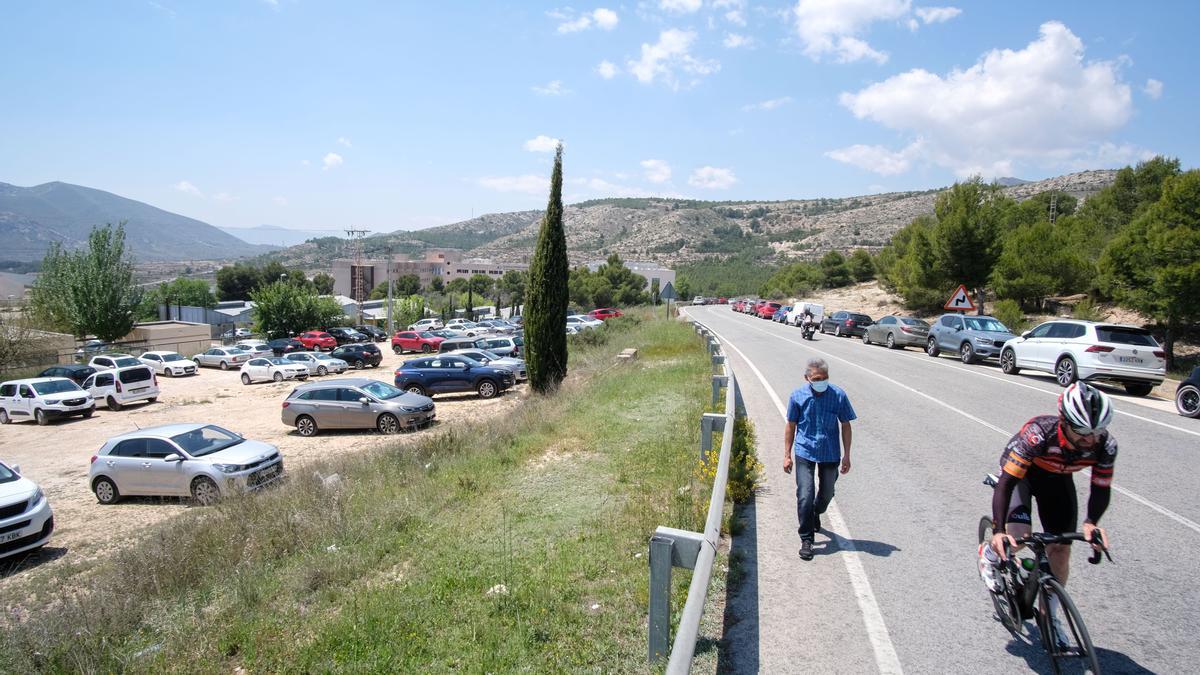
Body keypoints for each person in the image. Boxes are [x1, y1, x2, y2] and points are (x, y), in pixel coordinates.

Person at [978, 382, 1115, 640]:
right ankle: (989, 554)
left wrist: (1092, 522)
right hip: (1022, 475)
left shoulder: (1104, 445)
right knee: (1018, 539)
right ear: (1064, 422)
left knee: (1061, 552)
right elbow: (1006, 485)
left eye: (1097, 431)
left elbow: (1101, 487)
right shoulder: (1038, 434)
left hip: (1057, 479)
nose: (1090, 439)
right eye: (1082, 431)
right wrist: (998, 532)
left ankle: (1048, 616)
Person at [784, 358, 856, 560]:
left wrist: (847, 455)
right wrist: (786, 455)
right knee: (805, 494)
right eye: (816, 378)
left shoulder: (838, 395)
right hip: (805, 450)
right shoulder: (797, 396)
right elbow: (790, 425)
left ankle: (815, 512)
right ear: (807, 378)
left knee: (826, 494)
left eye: (824, 378)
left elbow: (846, 425)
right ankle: (807, 538)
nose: (821, 382)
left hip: (830, 452)